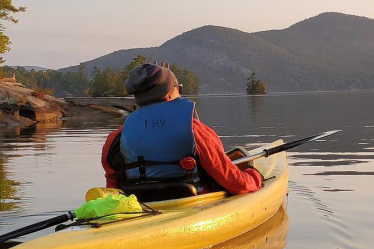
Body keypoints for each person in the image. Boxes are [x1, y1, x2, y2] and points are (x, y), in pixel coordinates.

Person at [101, 63, 262, 197]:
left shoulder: (114, 140)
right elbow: (235, 183)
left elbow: (112, 191)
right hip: (191, 206)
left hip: (140, 210)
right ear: (169, 95)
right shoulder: (195, 131)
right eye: (179, 88)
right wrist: (255, 176)